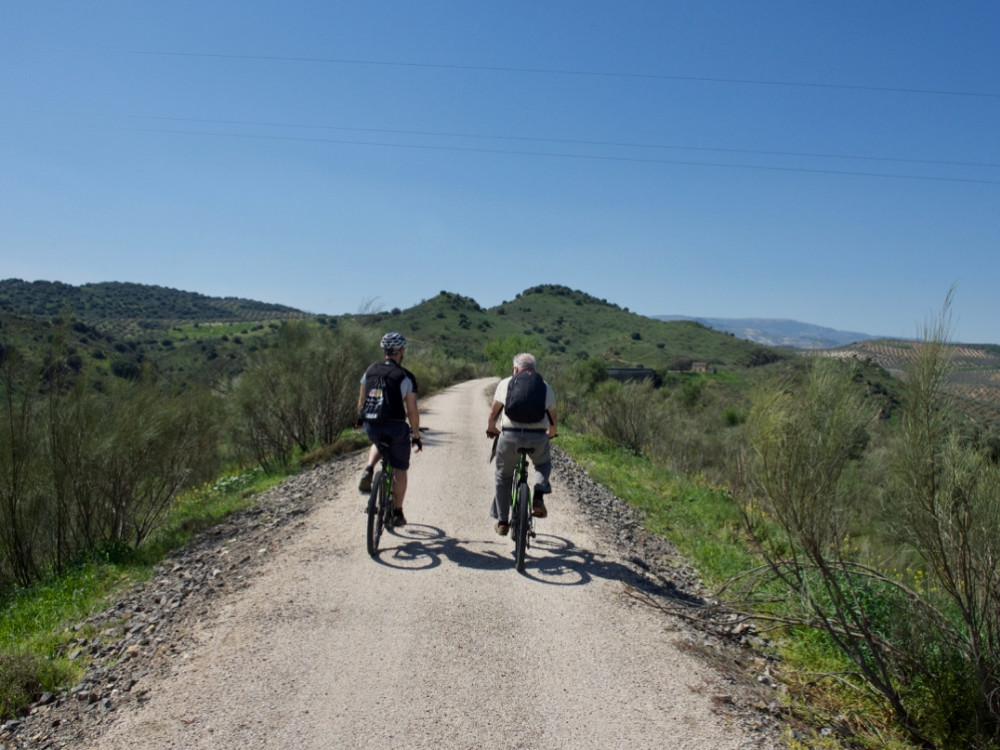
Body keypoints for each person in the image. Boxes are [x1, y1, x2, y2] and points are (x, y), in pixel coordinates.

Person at [485, 352, 558, 535]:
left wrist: (491, 428)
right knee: (543, 463)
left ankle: (502, 522)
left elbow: (494, 412)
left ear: (515, 369)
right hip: (537, 437)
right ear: (534, 369)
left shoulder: (505, 383)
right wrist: (551, 433)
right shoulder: (544, 386)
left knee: (503, 476)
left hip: (510, 436)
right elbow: (553, 417)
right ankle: (539, 496)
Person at [357, 332, 422, 527]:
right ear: (401, 351)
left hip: (371, 424)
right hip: (395, 426)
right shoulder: (405, 376)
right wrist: (416, 435)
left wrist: (361, 420)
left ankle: (369, 468)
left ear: (384, 350)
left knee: (377, 441)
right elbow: (412, 411)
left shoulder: (369, 371)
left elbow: (361, 401)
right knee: (400, 469)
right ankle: (397, 512)